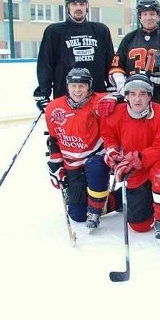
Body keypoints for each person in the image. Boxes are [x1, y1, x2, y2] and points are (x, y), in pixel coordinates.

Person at [100, 74, 160, 242]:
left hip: (156, 163)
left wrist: (137, 159)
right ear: (127, 96)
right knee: (140, 226)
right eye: (133, 94)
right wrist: (112, 153)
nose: (137, 99)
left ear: (150, 96)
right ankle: (139, 202)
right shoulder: (116, 113)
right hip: (133, 169)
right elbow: (109, 137)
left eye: (142, 94)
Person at [44, 67, 115, 229]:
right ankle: (122, 201)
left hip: (96, 158)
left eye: (82, 86)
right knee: (78, 215)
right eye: (73, 86)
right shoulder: (53, 108)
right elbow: (53, 138)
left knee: (95, 166)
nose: (77, 90)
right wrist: (55, 164)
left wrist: (115, 98)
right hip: (72, 164)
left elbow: (124, 94)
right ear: (67, 86)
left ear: (89, 86)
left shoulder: (99, 101)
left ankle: (95, 210)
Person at [35, 0, 115, 110]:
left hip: (96, 95)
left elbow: (110, 61)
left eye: (82, 4)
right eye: (74, 4)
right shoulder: (54, 31)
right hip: (65, 95)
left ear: (87, 7)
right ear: (67, 7)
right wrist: (43, 93)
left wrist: (112, 86)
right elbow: (45, 65)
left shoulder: (100, 30)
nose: (78, 8)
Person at [108, 0, 160, 108]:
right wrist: (123, 87)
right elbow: (116, 68)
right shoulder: (128, 39)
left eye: (152, 14)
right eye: (145, 14)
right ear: (139, 17)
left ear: (158, 16)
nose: (148, 18)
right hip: (134, 101)